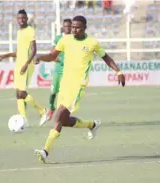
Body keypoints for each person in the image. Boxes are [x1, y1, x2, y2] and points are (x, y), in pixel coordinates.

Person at [34, 15, 125, 163]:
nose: (74, 30)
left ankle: (45, 152)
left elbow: (106, 57)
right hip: (65, 84)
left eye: (77, 27)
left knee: (58, 117)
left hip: (77, 86)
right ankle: (92, 124)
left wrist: (118, 72)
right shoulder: (65, 40)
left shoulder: (92, 43)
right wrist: (40, 57)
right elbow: (52, 55)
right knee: (63, 121)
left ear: (84, 28)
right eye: (73, 27)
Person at [0, 9, 48, 126]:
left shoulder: (30, 30)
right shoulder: (19, 32)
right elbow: (20, 51)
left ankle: (43, 111)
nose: (21, 20)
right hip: (19, 65)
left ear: (27, 19)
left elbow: (33, 49)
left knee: (22, 93)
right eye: (19, 18)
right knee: (18, 94)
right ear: (17, 19)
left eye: (23, 18)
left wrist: (26, 64)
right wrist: (6, 55)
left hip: (26, 65)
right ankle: (23, 120)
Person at [45, 19, 72, 122]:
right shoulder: (58, 39)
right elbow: (53, 54)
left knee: (65, 95)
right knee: (53, 92)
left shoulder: (74, 39)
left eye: (69, 26)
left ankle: (62, 116)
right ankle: (51, 108)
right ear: (63, 27)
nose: (68, 28)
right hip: (58, 71)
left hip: (68, 73)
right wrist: (59, 59)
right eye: (66, 26)